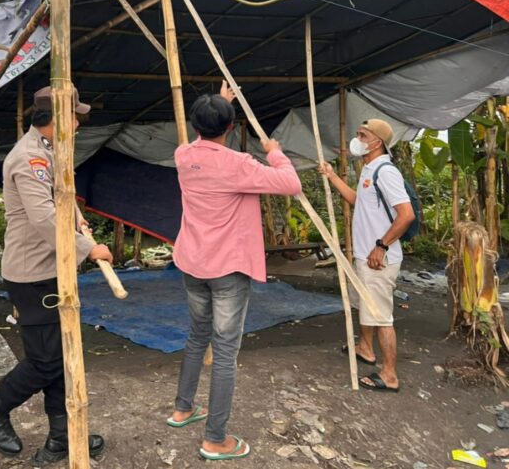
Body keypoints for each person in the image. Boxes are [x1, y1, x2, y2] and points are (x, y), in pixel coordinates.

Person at [0, 85, 113, 464]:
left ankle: (61, 438)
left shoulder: (51, 150)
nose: (78, 123)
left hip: (52, 267)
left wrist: (78, 220)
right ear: (58, 118)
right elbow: (44, 217)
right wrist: (88, 249)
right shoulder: (28, 157)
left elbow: (60, 195)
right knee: (46, 360)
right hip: (32, 273)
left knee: (60, 357)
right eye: (75, 116)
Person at [167, 82, 302, 461]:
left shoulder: (183, 156)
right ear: (229, 127)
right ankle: (215, 438)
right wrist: (275, 153)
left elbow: (206, 137)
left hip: (193, 264)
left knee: (198, 336)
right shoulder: (239, 165)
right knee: (225, 351)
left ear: (195, 125)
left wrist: (220, 103)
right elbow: (291, 184)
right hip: (227, 268)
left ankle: (183, 409)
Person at [319, 118, 415, 392]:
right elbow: (357, 201)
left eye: (362, 135)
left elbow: (406, 215)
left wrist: (381, 246)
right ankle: (365, 348)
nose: (357, 139)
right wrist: (332, 176)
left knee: (382, 316)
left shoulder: (386, 172)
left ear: (377, 143)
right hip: (366, 256)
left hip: (379, 259)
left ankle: (389, 375)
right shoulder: (369, 170)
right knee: (364, 304)